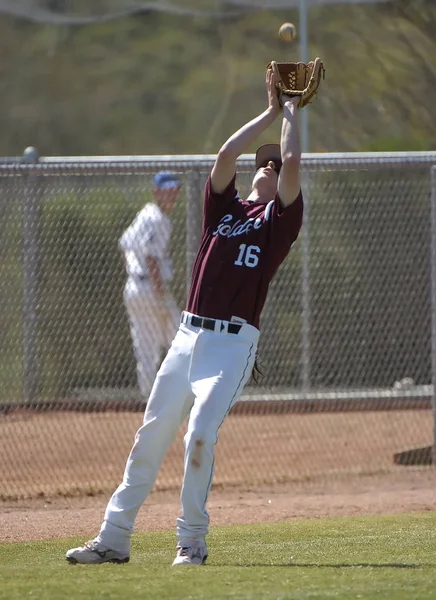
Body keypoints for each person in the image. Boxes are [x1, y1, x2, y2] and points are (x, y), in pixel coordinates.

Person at [66, 69, 304, 567]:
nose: (267, 168)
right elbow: (223, 158)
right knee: (151, 434)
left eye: (274, 166)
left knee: (200, 432)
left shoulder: (277, 225)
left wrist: (291, 115)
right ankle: (114, 537)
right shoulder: (224, 210)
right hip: (188, 334)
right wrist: (265, 112)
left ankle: (191, 542)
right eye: (264, 164)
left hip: (232, 347)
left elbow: (295, 162)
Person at [119, 171, 182, 399]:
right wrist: (160, 293)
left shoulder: (145, 213)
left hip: (134, 289)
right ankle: (182, 395)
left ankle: (149, 399)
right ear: (156, 191)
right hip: (150, 289)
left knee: (145, 349)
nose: (171, 194)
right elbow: (151, 257)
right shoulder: (158, 219)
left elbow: (124, 245)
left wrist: (134, 274)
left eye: (174, 190)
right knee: (179, 339)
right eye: (167, 190)